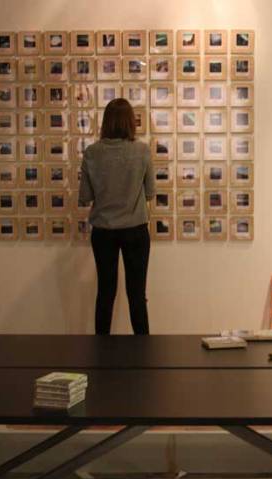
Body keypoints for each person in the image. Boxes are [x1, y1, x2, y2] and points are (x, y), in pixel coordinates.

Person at [79, 98, 154, 335]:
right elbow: (150, 192)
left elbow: (85, 196)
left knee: (105, 293)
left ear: (106, 122)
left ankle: (101, 350)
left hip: (104, 231)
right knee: (137, 295)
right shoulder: (142, 151)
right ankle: (143, 349)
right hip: (136, 230)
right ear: (130, 122)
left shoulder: (92, 153)